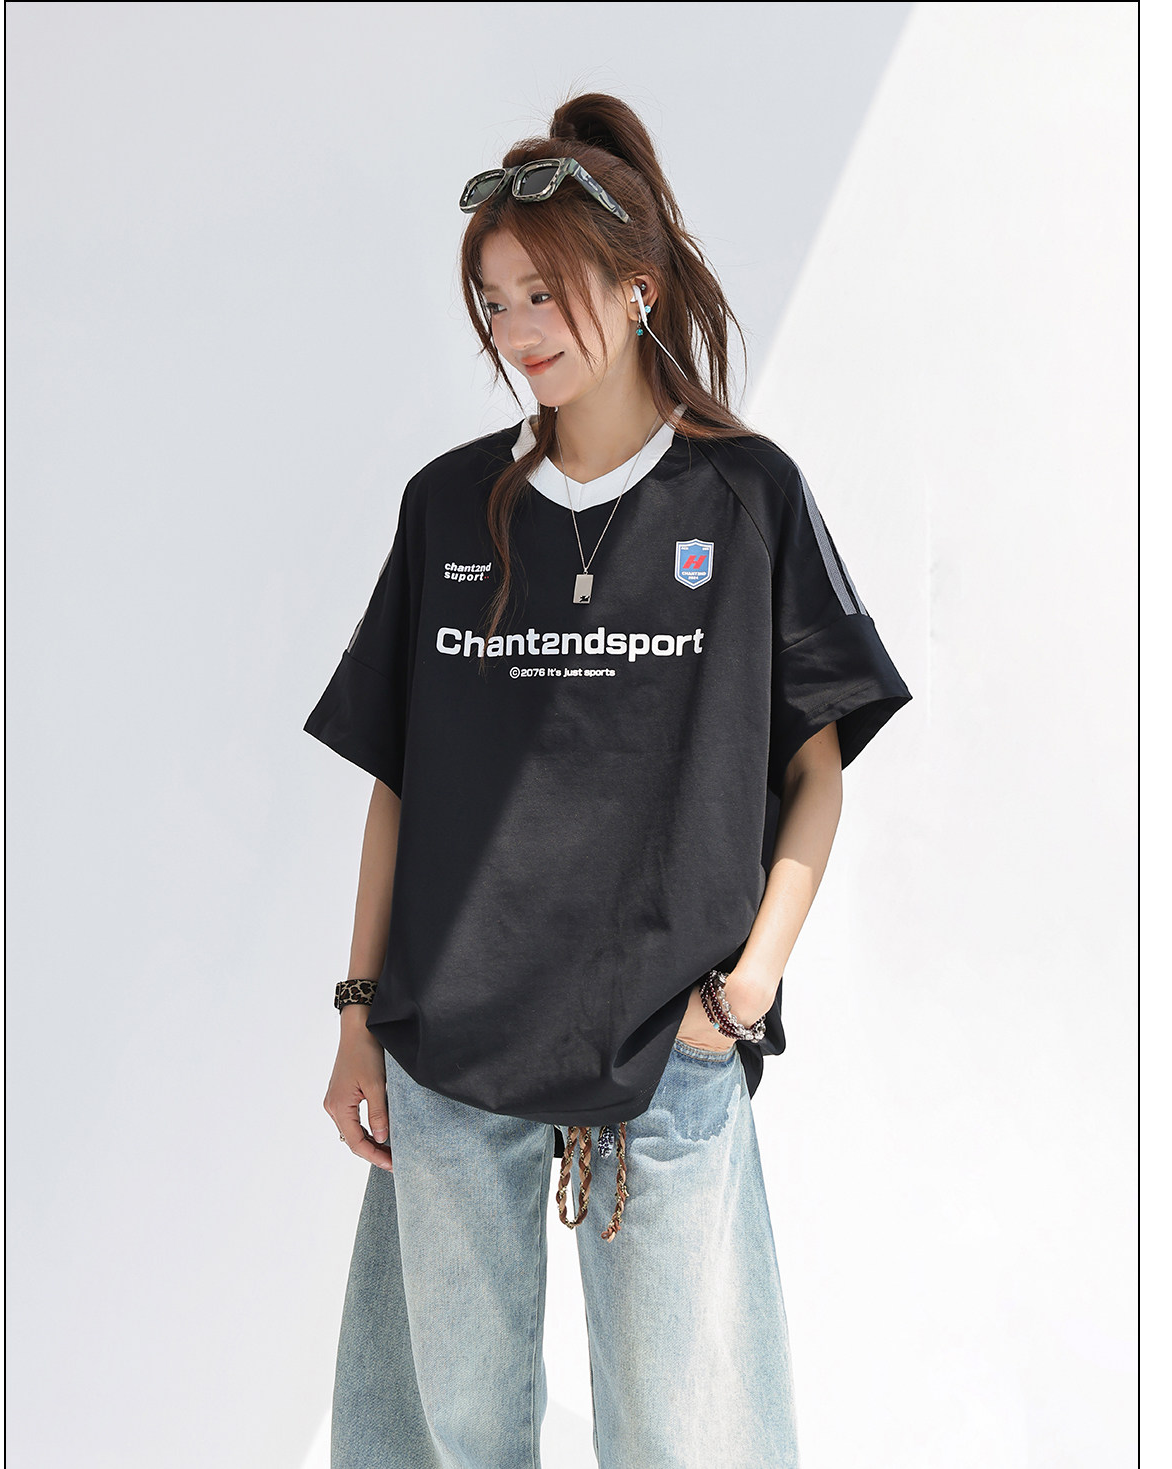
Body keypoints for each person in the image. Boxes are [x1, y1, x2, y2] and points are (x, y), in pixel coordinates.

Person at [305, 90, 912, 1469]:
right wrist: (355, 1013)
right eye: (496, 302)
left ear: (638, 288)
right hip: (452, 1043)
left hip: (666, 1044)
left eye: (546, 295)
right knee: (450, 1434)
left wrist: (743, 992)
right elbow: (398, 783)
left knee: (687, 1437)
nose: (518, 333)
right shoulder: (448, 505)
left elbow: (815, 773)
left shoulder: (746, 499)